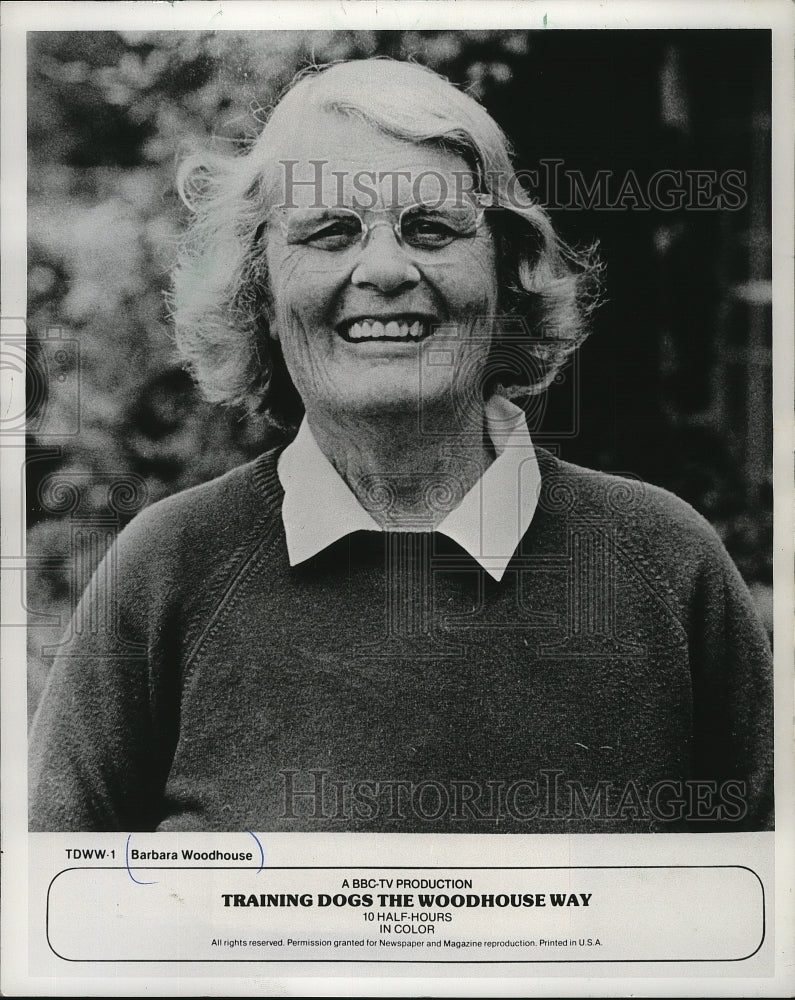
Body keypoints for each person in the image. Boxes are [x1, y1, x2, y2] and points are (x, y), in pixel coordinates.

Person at [29, 58, 773, 833]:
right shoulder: (165, 572)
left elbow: (765, 920)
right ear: (261, 298)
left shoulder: (666, 563)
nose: (384, 269)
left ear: (508, 281)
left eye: (431, 228)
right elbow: (55, 928)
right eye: (329, 232)